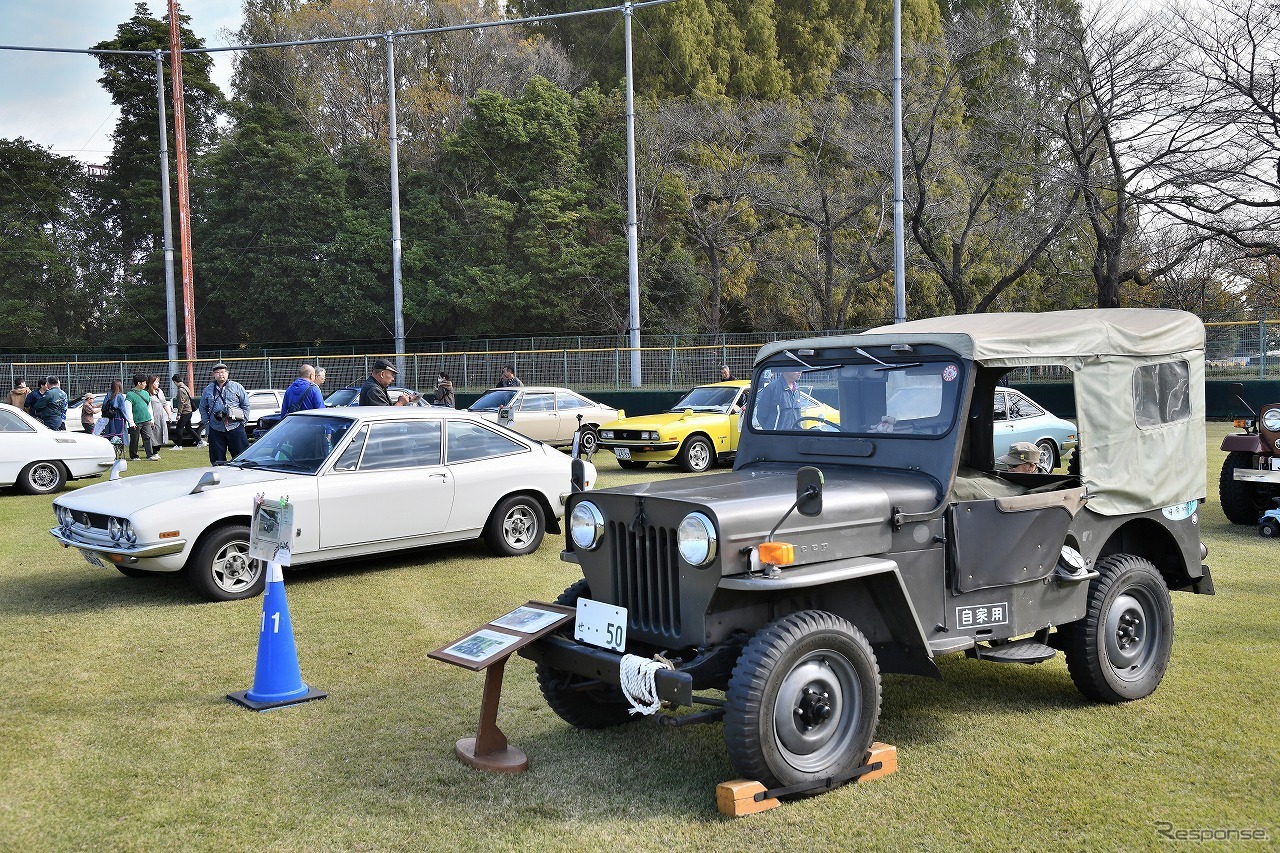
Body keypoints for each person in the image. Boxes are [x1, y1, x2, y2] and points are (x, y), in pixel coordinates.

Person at [199, 362, 250, 464]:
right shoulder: (208, 389)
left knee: (242, 458)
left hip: (235, 427)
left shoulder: (237, 387)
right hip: (215, 428)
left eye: (222, 372)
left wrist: (243, 422)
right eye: (217, 372)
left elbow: (246, 405)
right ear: (214, 375)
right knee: (217, 460)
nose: (220, 374)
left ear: (227, 373)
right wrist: (207, 423)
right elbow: (202, 407)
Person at [125, 373, 157, 460]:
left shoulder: (146, 393)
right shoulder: (130, 395)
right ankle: (134, 456)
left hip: (146, 419)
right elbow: (128, 410)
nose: (146, 384)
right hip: (136, 421)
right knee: (135, 439)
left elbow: (149, 407)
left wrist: (152, 419)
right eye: (144, 382)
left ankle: (150, 455)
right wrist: (131, 422)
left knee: (148, 438)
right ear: (139, 383)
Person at [171, 373, 197, 449]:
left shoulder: (181, 390)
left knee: (179, 428)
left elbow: (181, 403)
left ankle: (178, 445)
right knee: (188, 428)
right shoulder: (186, 387)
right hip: (189, 410)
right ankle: (199, 441)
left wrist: (179, 414)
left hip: (185, 411)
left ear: (175, 381)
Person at [147, 375, 172, 449]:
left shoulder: (160, 391)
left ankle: (157, 449)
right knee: (154, 433)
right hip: (153, 416)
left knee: (161, 432)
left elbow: (164, 403)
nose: (158, 383)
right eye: (156, 382)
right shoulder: (147, 393)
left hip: (161, 416)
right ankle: (153, 450)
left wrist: (169, 414)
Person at [102, 379, 128, 445]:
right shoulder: (120, 396)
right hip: (118, 415)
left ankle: (109, 443)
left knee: (110, 431)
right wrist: (127, 418)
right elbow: (122, 409)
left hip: (109, 416)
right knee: (119, 430)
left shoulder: (108, 394)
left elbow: (104, 405)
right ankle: (121, 443)